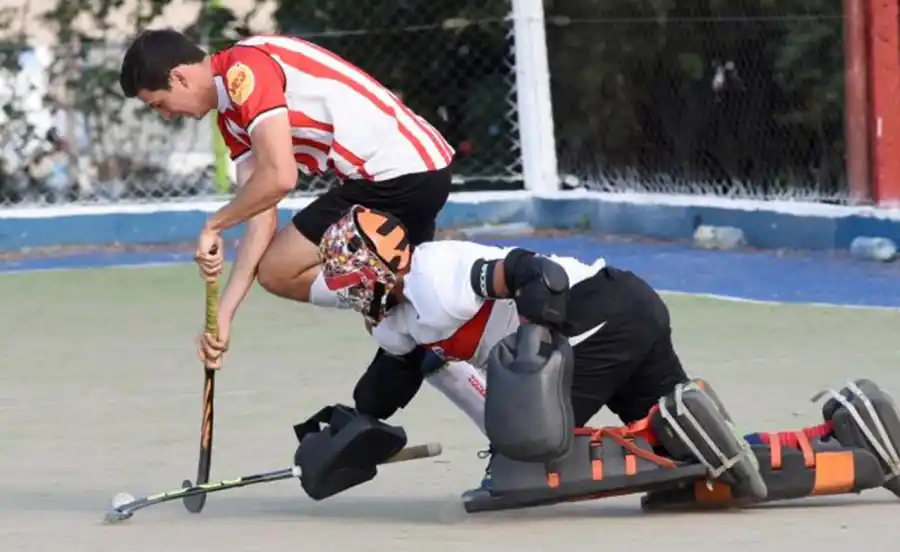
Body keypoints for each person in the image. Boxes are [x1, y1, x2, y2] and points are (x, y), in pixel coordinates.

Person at [316, 205, 900, 506]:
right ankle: (852, 435)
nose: (349, 294)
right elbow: (384, 388)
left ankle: (678, 418)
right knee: (686, 464)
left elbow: (532, 273)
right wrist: (341, 437)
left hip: (603, 308)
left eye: (352, 280)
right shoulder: (396, 320)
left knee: (529, 448)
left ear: (380, 266)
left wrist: (534, 361)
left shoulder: (436, 276)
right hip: (623, 316)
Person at [118, 30, 454, 367]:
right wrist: (223, 316)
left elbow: (280, 177)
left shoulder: (243, 69)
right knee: (403, 338)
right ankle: (416, 293)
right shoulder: (231, 120)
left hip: (396, 174)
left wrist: (214, 224)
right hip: (401, 175)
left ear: (180, 77)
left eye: (159, 104)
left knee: (282, 271)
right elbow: (261, 217)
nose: (165, 115)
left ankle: (412, 283)